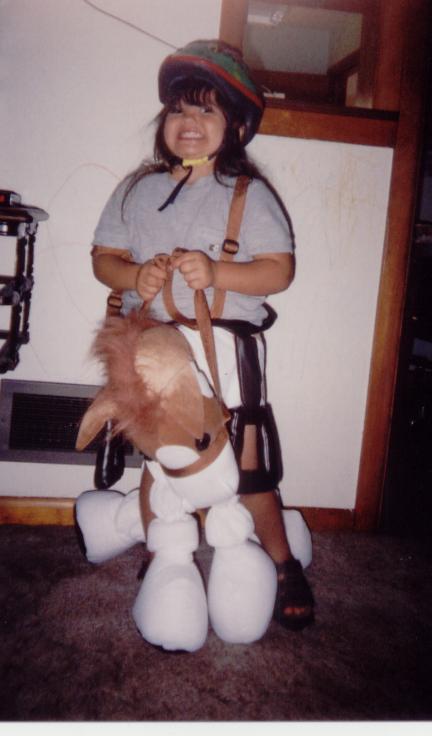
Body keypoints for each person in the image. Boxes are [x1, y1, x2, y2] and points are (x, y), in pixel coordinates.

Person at [90, 39, 314, 631]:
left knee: (246, 462)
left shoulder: (249, 194)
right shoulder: (136, 190)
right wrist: (133, 275)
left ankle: (284, 562)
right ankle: (162, 552)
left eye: (206, 110)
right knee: (159, 461)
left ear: (236, 127)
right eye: (178, 109)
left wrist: (219, 273)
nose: (188, 121)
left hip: (228, 348)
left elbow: (279, 272)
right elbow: (103, 259)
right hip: (155, 346)